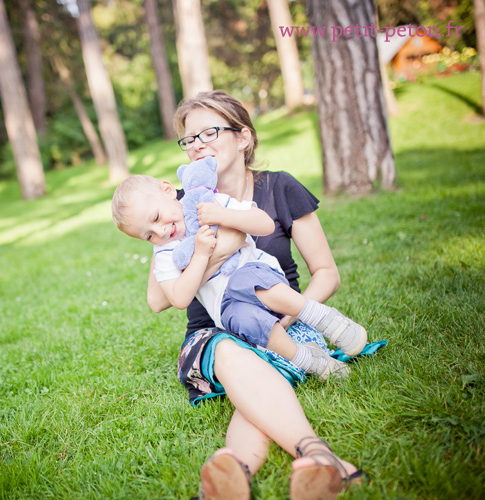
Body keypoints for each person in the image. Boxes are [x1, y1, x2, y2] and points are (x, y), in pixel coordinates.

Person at [145, 91, 374, 499]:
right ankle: (322, 459)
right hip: (214, 332)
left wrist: (284, 319)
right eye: (188, 138)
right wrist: (205, 249)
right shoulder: (179, 209)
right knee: (239, 356)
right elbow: (160, 299)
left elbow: (326, 272)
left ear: (243, 138)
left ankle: (236, 472)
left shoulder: (279, 188)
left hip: (281, 316)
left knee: (253, 375)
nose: (197, 144)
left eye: (208, 132)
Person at [111, 171, 367, 380]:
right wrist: (200, 256)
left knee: (243, 283)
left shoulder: (207, 203)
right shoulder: (165, 252)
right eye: (148, 235)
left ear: (167, 190)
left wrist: (223, 215)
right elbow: (178, 298)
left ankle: (326, 318)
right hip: (226, 308)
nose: (160, 231)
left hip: (258, 276)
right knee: (246, 321)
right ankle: (311, 362)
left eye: (156, 217)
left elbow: (265, 224)